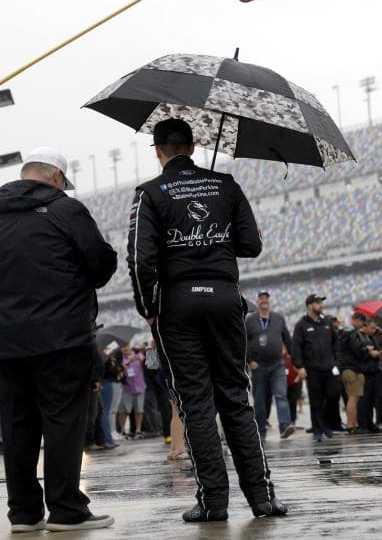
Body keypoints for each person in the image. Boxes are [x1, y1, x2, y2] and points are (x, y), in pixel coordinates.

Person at [127, 118, 284, 522]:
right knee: (235, 398)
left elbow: (141, 260)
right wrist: (217, 235)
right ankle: (263, 499)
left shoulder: (150, 193)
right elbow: (251, 244)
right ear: (193, 146)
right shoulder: (226, 185)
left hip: (178, 305)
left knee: (196, 403)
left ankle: (213, 502)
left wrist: (148, 309)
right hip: (224, 298)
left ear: (158, 150)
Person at [0, 147, 117, 532]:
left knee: (18, 427)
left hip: (8, 342)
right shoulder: (66, 209)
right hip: (62, 338)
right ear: (56, 177)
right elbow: (101, 265)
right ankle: (67, 510)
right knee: (63, 423)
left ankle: (23, 513)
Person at [245, 290, 295, 440]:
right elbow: (243, 341)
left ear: (269, 300)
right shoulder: (250, 320)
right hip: (258, 366)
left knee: (281, 395)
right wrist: (249, 361)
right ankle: (261, 431)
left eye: (266, 298)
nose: (264, 300)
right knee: (260, 400)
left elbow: (287, 339)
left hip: (277, 364)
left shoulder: (278, 318)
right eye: (261, 298)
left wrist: (295, 360)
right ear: (257, 301)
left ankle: (285, 426)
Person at [291, 294, 339, 442]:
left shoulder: (327, 322)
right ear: (309, 305)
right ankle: (317, 429)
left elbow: (336, 343)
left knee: (333, 395)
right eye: (318, 303)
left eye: (321, 302)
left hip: (329, 367)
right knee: (316, 400)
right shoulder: (301, 325)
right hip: (312, 369)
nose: (321, 305)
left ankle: (325, 423)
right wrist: (300, 366)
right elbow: (296, 347)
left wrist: (336, 362)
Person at [118, 344, 147, 439]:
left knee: (139, 410)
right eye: (124, 348)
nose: (126, 349)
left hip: (140, 387)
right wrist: (129, 361)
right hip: (126, 388)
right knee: (124, 411)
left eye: (127, 347)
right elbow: (120, 368)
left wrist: (141, 358)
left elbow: (147, 365)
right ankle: (123, 431)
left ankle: (138, 430)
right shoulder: (120, 358)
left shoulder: (138, 355)